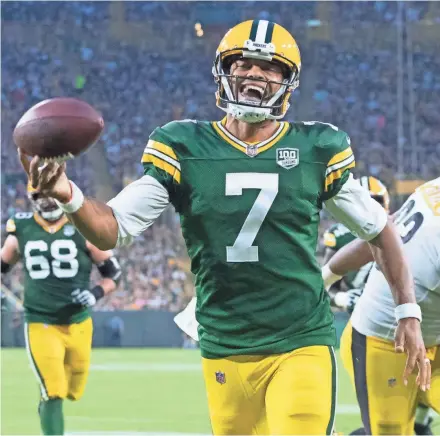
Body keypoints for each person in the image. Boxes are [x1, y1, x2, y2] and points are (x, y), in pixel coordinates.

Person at [20, 19, 428, 435]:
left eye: (271, 68)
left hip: (299, 337)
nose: (255, 73)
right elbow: (112, 229)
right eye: (244, 63)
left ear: (288, 82)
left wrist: (407, 313)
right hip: (224, 343)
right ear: (223, 71)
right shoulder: (183, 146)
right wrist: (66, 192)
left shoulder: (316, 148)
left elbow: (380, 229)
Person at [1, 183, 122, 435]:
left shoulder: (81, 226)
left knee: (73, 391)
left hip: (78, 322)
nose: (46, 201)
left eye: (49, 194)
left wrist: (94, 293)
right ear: (32, 198)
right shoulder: (21, 227)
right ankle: (49, 407)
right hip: (40, 321)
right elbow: (4, 262)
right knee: (53, 390)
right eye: (40, 195)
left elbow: (113, 275)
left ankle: (46, 404)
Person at [323, 177, 439, 435]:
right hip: (386, 341)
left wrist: (327, 275)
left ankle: (421, 420)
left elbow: (384, 233)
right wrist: (327, 280)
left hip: (430, 333)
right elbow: (379, 236)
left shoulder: (433, 188)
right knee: (389, 431)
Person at [322, 176, 390, 312]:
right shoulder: (339, 236)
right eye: (363, 202)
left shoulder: (397, 231)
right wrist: (343, 299)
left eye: (376, 202)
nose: (370, 209)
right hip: (357, 315)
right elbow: (324, 287)